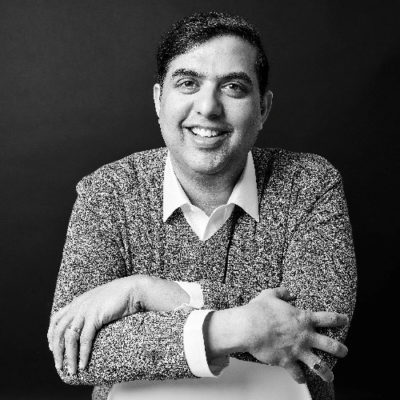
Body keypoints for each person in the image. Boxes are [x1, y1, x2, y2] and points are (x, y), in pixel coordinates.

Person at [47, 11, 357, 400]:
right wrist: (245, 326)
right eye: (188, 83)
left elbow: (318, 338)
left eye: (233, 87)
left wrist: (148, 292)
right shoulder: (107, 192)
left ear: (263, 108)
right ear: (159, 100)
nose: (208, 107)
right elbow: (75, 354)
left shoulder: (309, 183)